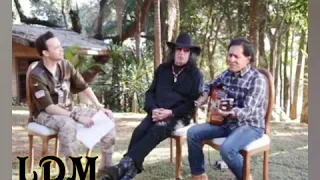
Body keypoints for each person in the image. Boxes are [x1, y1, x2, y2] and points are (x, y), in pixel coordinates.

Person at [100, 32, 204, 180]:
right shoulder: (162, 69)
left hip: (178, 116)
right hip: (156, 112)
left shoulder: (196, 75)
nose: (181, 53)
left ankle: (121, 168)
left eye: (185, 51)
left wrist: (170, 112)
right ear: (173, 51)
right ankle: (127, 174)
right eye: (179, 50)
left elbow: (192, 104)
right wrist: (153, 109)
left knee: (157, 130)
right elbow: (150, 93)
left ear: (190, 54)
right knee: (139, 131)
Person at [28, 31, 116, 174]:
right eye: (56, 47)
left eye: (60, 45)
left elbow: (84, 87)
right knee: (68, 125)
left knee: (106, 116)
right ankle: (74, 172)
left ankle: (107, 165)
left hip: (68, 109)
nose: (61, 49)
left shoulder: (66, 65)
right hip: (45, 114)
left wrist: (99, 106)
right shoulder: (37, 75)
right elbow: (49, 108)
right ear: (45, 53)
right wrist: (76, 117)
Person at [187, 37, 267, 180]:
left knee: (227, 150)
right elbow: (208, 84)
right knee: (193, 132)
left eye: (236, 56)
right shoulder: (227, 74)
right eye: (230, 55)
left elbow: (248, 110)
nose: (231, 59)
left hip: (250, 126)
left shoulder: (257, 79)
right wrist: (205, 95)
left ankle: (245, 177)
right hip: (226, 123)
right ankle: (199, 175)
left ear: (248, 58)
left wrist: (228, 112)